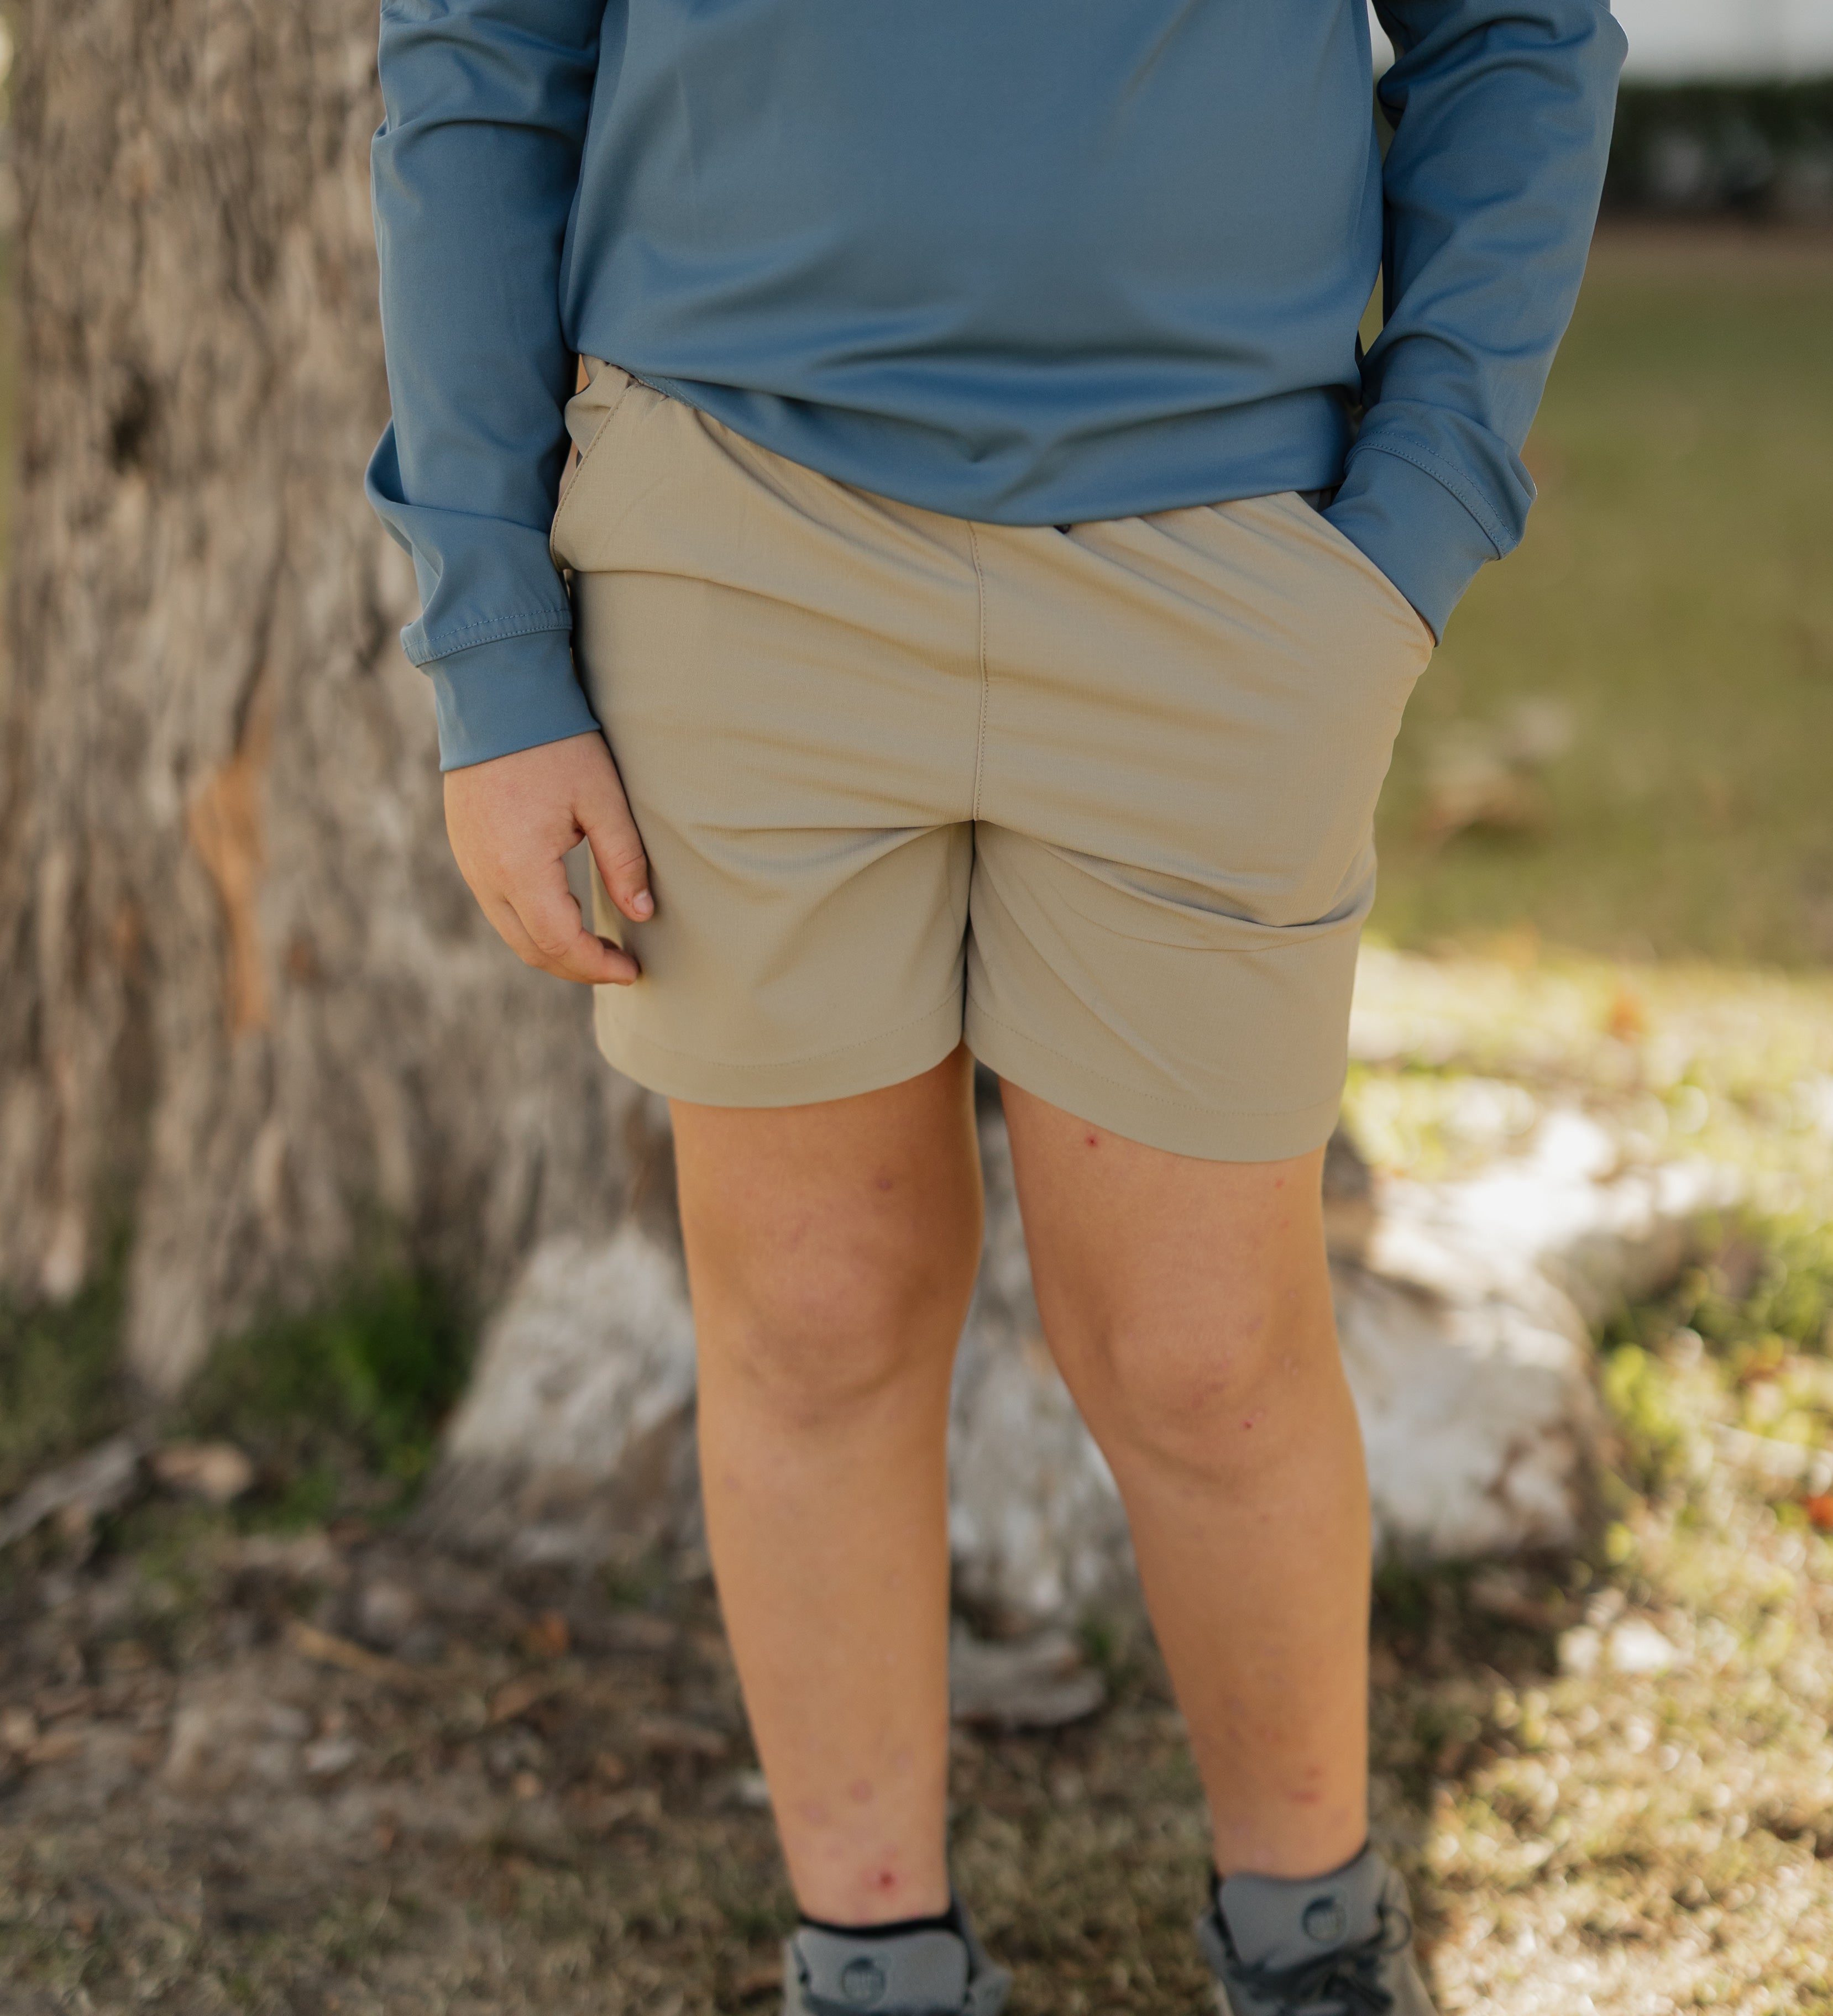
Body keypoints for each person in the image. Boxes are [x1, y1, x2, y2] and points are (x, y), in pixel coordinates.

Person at [368, 3, 1625, 2010]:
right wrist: (496, 647)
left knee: (1207, 1348)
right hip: (732, 535)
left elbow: (1522, 34)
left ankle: (1311, 1948)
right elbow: (479, 62)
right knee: (813, 1311)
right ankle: (873, 1967)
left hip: (1221, 566)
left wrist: (1417, 516)